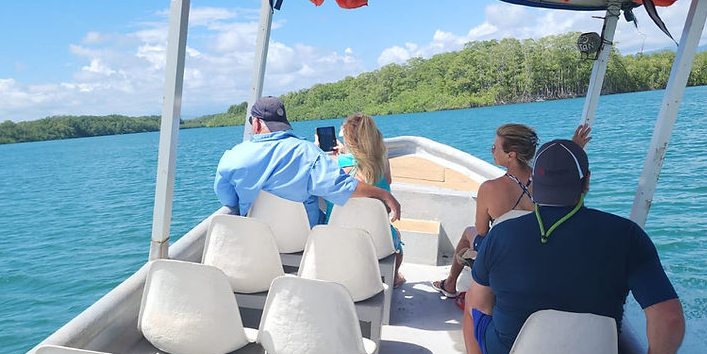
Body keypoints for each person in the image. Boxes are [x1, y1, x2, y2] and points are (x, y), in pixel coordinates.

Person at [462, 138, 685, 354]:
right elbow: (669, 318)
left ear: (533, 181)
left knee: (472, 302)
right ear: (586, 181)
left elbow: (480, 304)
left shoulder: (501, 234)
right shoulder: (628, 235)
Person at [432, 122, 591, 299]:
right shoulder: (547, 183)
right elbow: (565, 179)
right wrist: (574, 148)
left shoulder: (489, 188)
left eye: (495, 147)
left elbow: (482, 230)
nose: (492, 150)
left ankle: (450, 284)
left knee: (469, 232)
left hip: (506, 256)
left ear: (511, 155)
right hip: (541, 251)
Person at [214, 97, 401, 227]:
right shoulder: (309, 153)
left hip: (258, 237)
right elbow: (340, 187)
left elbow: (228, 200)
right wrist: (385, 195)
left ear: (255, 123)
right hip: (303, 239)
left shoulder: (231, 157)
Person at [336, 113, 405, 287]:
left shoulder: (338, 163)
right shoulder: (383, 162)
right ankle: (395, 277)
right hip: (378, 242)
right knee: (396, 236)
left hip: (341, 237)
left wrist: (341, 154)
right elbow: (386, 181)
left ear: (348, 140)